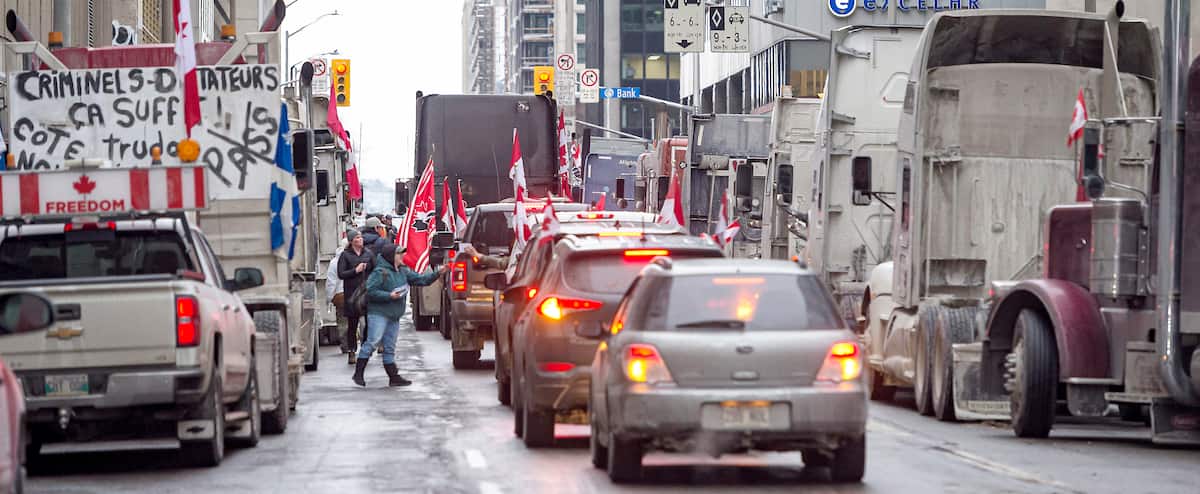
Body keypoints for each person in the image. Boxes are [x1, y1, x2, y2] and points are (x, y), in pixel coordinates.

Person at [352, 243, 446, 387]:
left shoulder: (403, 271)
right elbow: (371, 291)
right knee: (372, 342)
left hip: (394, 315)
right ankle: (358, 374)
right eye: (399, 253)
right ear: (391, 256)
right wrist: (389, 296)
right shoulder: (380, 272)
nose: (402, 256)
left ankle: (393, 377)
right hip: (379, 313)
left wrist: (438, 273)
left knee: (389, 346)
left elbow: (421, 280)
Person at [337, 228, 374, 364]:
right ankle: (351, 351)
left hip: (366, 294)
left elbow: (375, 270)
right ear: (352, 241)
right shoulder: (345, 255)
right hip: (352, 295)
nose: (361, 240)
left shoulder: (368, 254)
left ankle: (365, 348)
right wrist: (355, 270)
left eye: (361, 237)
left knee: (369, 323)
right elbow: (341, 274)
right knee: (352, 325)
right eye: (358, 238)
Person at [326, 238, 348, 349]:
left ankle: (345, 345)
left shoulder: (334, 262)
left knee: (343, 320)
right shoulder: (356, 259)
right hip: (354, 294)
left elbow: (331, 282)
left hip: (340, 295)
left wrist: (329, 298)